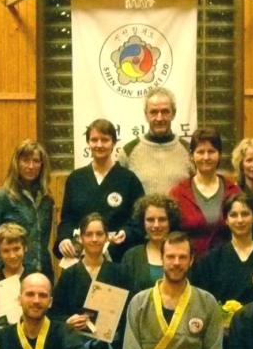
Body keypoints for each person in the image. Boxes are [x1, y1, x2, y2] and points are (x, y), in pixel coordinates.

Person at [50, 214, 131, 349]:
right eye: (89, 234)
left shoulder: (119, 272)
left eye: (99, 234)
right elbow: (54, 313)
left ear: (107, 237)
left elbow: (128, 315)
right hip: (79, 347)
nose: (94, 239)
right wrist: (68, 321)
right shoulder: (69, 274)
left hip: (112, 348)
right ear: (80, 238)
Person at [56, 119, 145, 264]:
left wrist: (126, 232)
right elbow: (67, 219)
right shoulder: (76, 178)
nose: (99, 145)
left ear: (114, 142)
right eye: (94, 140)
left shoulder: (128, 179)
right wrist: (64, 238)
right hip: (81, 256)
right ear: (88, 143)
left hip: (117, 256)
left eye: (105, 140)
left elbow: (138, 219)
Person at [0, 139, 55, 279]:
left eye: (36, 161)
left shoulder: (47, 198)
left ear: (42, 165)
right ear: (17, 163)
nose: (31, 166)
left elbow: (44, 240)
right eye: (25, 160)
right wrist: (0, 268)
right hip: (12, 274)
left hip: (43, 272)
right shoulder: (0, 198)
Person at [169, 127, 241, 259]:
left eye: (211, 151)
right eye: (200, 152)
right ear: (191, 156)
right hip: (189, 265)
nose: (206, 157)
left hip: (226, 263)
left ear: (219, 154)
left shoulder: (233, 191)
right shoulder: (178, 193)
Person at [116, 86, 193, 196]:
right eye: (153, 112)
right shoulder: (128, 152)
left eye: (165, 111)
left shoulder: (189, 151)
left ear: (174, 113)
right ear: (146, 115)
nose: (159, 118)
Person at [191, 193, 253, 307]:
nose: (240, 220)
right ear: (226, 220)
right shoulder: (211, 261)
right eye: (233, 215)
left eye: (245, 214)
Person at [0, 223, 36, 333]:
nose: (12, 255)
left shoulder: (35, 277)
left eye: (16, 249)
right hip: (0, 336)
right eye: (6, 251)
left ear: (25, 248)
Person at [119, 194, 182, 294]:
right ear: (142, 222)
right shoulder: (131, 257)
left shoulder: (184, 253)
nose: (156, 225)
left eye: (162, 219)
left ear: (170, 221)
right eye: (150, 220)